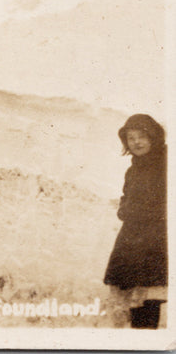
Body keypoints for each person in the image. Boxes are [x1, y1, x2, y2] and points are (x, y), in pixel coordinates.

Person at [104, 114, 167, 328]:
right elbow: (126, 197)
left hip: (154, 242)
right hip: (130, 242)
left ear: (154, 137)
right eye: (131, 138)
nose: (137, 142)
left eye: (142, 136)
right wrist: (124, 209)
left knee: (148, 302)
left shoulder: (166, 164)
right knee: (130, 307)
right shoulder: (133, 169)